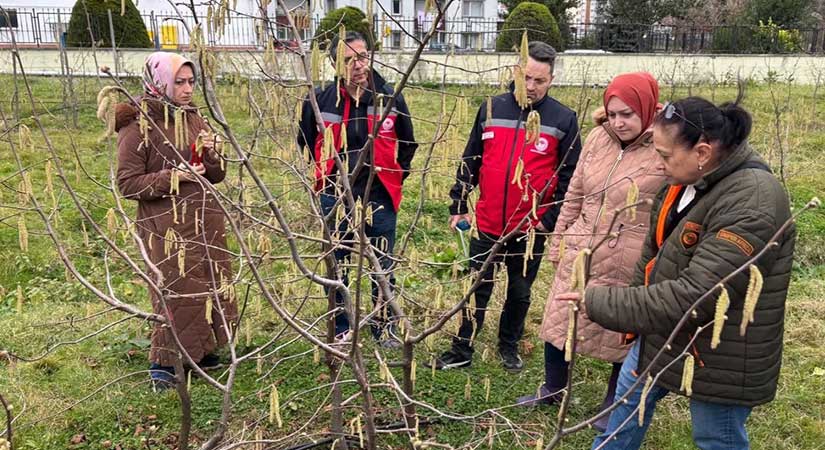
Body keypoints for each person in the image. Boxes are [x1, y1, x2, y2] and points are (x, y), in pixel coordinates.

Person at [556, 96, 796, 450]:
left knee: (717, 438)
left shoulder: (754, 202)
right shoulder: (684, 181)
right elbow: (653, 253)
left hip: (722, 350)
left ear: (702, 152)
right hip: (659, 331)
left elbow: (698, 295)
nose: (658, 162)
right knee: (620, 421)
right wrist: (637, 322)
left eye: (666, 155)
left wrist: (602, 301)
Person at [516, 73, 667, 433]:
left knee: (622, 329)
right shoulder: (599, 139)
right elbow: (575, 193)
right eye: (613, 113)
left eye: (628, 114)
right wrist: (560, 237)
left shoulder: (664, 146)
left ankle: (612, 403)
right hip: (581, 247)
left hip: (628, 255)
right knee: (558, 319)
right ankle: (554, 387)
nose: (618, 122)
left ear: (646, 109)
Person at [430, 42, 582, 372]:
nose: (530, 86)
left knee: (520, 291)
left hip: (529, 228)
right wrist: (458, 202)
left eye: (539, 80)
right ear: (516, 72)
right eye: (526, 77)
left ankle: (508, 345)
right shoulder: (491, 108)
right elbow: (471, 158)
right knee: (476, 286)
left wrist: (549, 220)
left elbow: (571, 177)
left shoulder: (563, 119)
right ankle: (462, 347)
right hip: (486, 221)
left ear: (551, 80)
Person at [116, 52, 236, 390]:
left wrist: (213, 155)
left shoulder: (194, 118)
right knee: (174, 290)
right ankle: (164, 365)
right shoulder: (137, 124)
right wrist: (173, 176)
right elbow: (127, 183)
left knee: (210, 284)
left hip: (204, 219)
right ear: (159, 83)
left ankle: (202, 352)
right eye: (179, 82)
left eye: (191, 82)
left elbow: (216, 175)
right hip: (165, 225)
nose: (187, 89)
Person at [297, 31, 417, 347]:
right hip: (334, 195)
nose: (357, 65)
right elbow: (307, 140)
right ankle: (341, 325)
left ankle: (382, 325)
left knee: (382, 264)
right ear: (336, 64)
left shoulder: (390, 97)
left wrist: (393, 176)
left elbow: (408, 144)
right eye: (348, 60)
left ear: (371, 56)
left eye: (362, 57)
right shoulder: (321, 99)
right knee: (336, 263)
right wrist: (325, 174)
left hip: (378, 195)